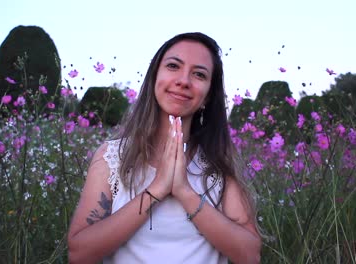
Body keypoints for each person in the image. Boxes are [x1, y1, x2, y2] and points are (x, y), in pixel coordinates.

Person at [68, 32, 262, 263]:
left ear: (208, 96)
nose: (183, 81)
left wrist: (184, 192)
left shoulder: (218, 164)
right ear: (154, 77)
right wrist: (157, 189)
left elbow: (250, 255)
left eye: (199, 74)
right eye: (173, 66)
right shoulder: (112, 158)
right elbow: (79, 253)